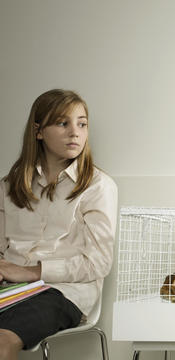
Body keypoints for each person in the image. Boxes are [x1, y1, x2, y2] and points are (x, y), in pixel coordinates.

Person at [0, 89, 117, 360]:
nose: (75, 132)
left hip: (63, 292)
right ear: (38, 131)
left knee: (2, 338)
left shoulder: (98, 186)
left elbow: (98, 263)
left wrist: (29, 272)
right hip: (9, 287)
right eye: (63, 123)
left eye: (82, 123)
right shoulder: (8, 186)